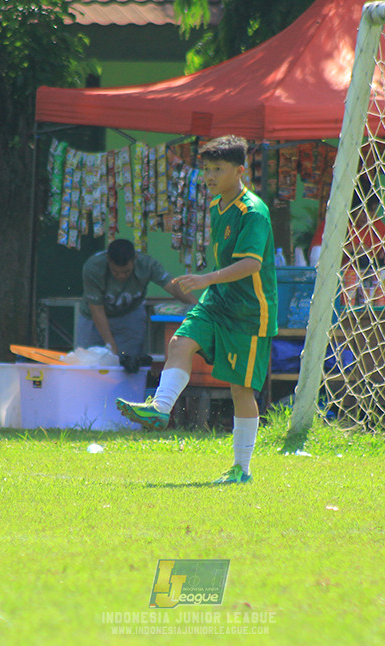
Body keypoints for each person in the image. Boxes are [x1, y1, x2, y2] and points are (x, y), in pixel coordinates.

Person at [116, 135, 278, 484]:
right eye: (206, 169)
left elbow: (251, 263)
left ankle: (242, 469)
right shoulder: (217, 206)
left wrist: (207, 278)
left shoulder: (254, 211)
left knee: (240, 389)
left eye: (217, 169)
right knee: (179, 342)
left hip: (250, 313)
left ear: (240, 170)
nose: (209, 176)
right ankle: (160, 409)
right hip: (217, 302)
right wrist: (210, 284)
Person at [77, 238, 195, 360]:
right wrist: (111, 347)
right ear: (108, 260)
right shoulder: (92, 267)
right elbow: (97, 311)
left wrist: (196, 307)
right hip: (94, 317)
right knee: (86, 361)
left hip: (130, 314)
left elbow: (172, 285)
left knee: (130, 361)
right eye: (116, 272)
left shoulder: (147, 264)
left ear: (135, 259)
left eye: (126, 271)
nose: (121, 276)